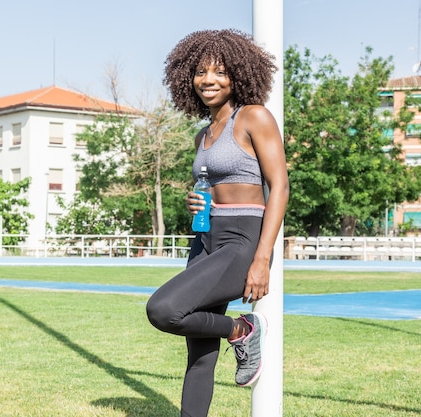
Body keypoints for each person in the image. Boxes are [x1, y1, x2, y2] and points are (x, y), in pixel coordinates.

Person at [146, 29, 289, 416]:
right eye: (200, 72)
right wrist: (197, 200)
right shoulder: (201, 136)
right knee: (199, 355)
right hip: (206, 238)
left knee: (162, 309)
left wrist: (262, 258)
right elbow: (216, 187)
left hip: (242, 239)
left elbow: (279, 187)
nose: (208, 80)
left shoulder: (253, 117)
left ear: (238, 74)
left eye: (219, 71)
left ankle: (241, 330)